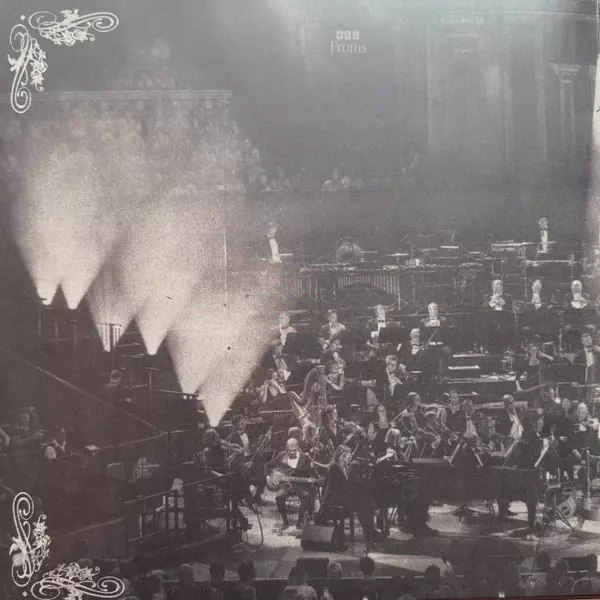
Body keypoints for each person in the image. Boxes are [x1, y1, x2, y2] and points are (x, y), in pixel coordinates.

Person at [272, 438, 314, 530]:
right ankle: (285, 521)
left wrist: (310, 477)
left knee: (306, 496)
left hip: (299, 484)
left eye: (294, 450)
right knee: (279, 497)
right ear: (286, 448)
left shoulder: (305, 457)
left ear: (298, 447)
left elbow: (311, 473)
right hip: (285, 484)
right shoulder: (281, 455)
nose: (292, 453)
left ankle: (300, 520)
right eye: (290, 450)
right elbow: (270, 466)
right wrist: (275, 474)